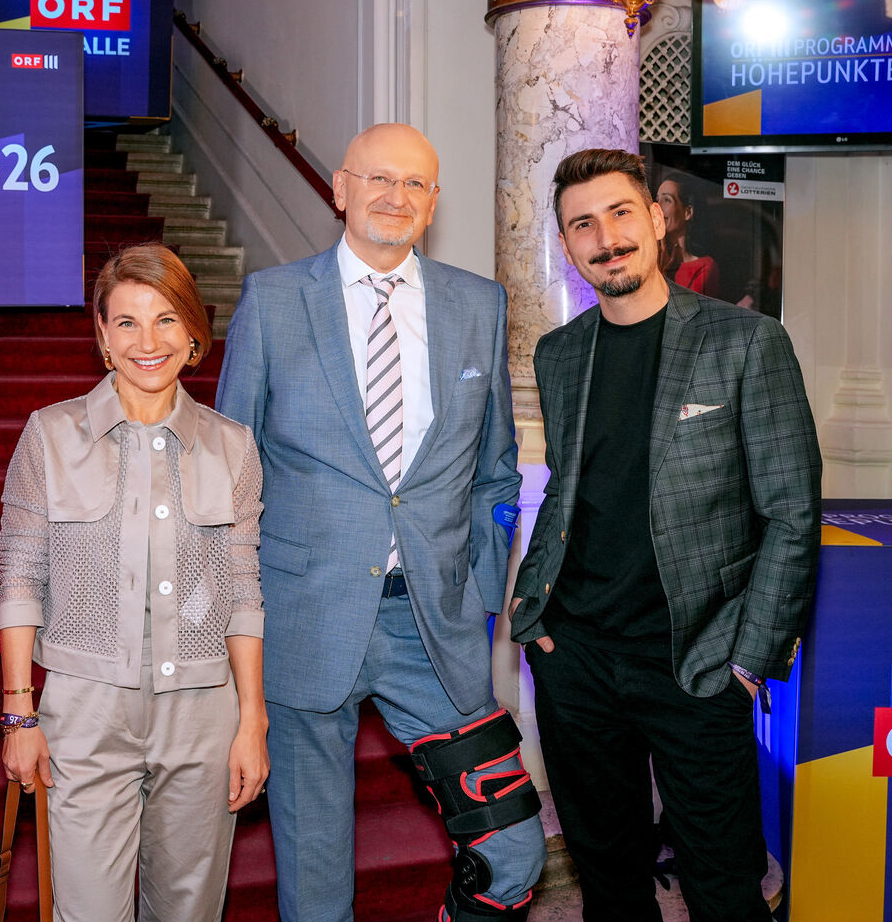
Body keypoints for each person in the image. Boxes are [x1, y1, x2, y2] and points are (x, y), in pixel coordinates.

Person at [217, 123, 545, 922]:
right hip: (302, 617)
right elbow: (229, 475)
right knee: (315, 881)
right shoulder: (274, 299)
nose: (397, 197)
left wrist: (477, 590)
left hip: (432, 622)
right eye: (379, 178)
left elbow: (495, 468)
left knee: (512, 848)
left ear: (433, 202)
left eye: (415, 184)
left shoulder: (478, 303)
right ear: (340, 188)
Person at [509, 148, 822, 922]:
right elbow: (568, 491)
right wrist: (533, 615)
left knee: (723, 887)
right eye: (583, 224)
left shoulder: (746, 342)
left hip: (698, 660)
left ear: (656, 219)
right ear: (566, 243)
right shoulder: (559, 354)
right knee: (609, 883)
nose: (606, 237)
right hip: (576, 659)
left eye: (620, 213)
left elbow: (791, 513)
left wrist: (748, 661)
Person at [0, 242, 268, 922]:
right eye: (127, 322)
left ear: (193, 331)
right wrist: (20, 713)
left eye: (166, 319)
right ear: (102, 334)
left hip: (203, 713)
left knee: (189, 911)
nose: (148, 342)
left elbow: (243, 593)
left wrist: (252, 721)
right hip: (86, 712)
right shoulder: (50, 435)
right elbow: (21, 577)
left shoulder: (233, 445)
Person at [656, 173, 721, 299]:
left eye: (667, 200)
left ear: (688, 212)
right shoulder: (647, 259)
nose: (657, 206)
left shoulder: (705, 268)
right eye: (657, 199)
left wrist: (659, 271)